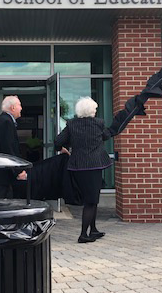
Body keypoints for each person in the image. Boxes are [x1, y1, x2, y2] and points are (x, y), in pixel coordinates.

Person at [54, 96, 112, 244]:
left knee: (91, 199)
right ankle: (83, 235)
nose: (96, 111)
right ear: (91, 110)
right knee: (91, 201)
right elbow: (106, 135)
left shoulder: (72, 124)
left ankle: (93, 229)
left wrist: (63, 149)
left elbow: (58, 141)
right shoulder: (98, 123)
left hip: (78, 166)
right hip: (94, 166)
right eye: (95, 109)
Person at [0, 95, 27, 199]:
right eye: (19, 105)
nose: (21, 108)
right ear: (13, 108)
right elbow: (9, 149)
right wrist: (18, 170)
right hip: (0, 176)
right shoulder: (6, 122)